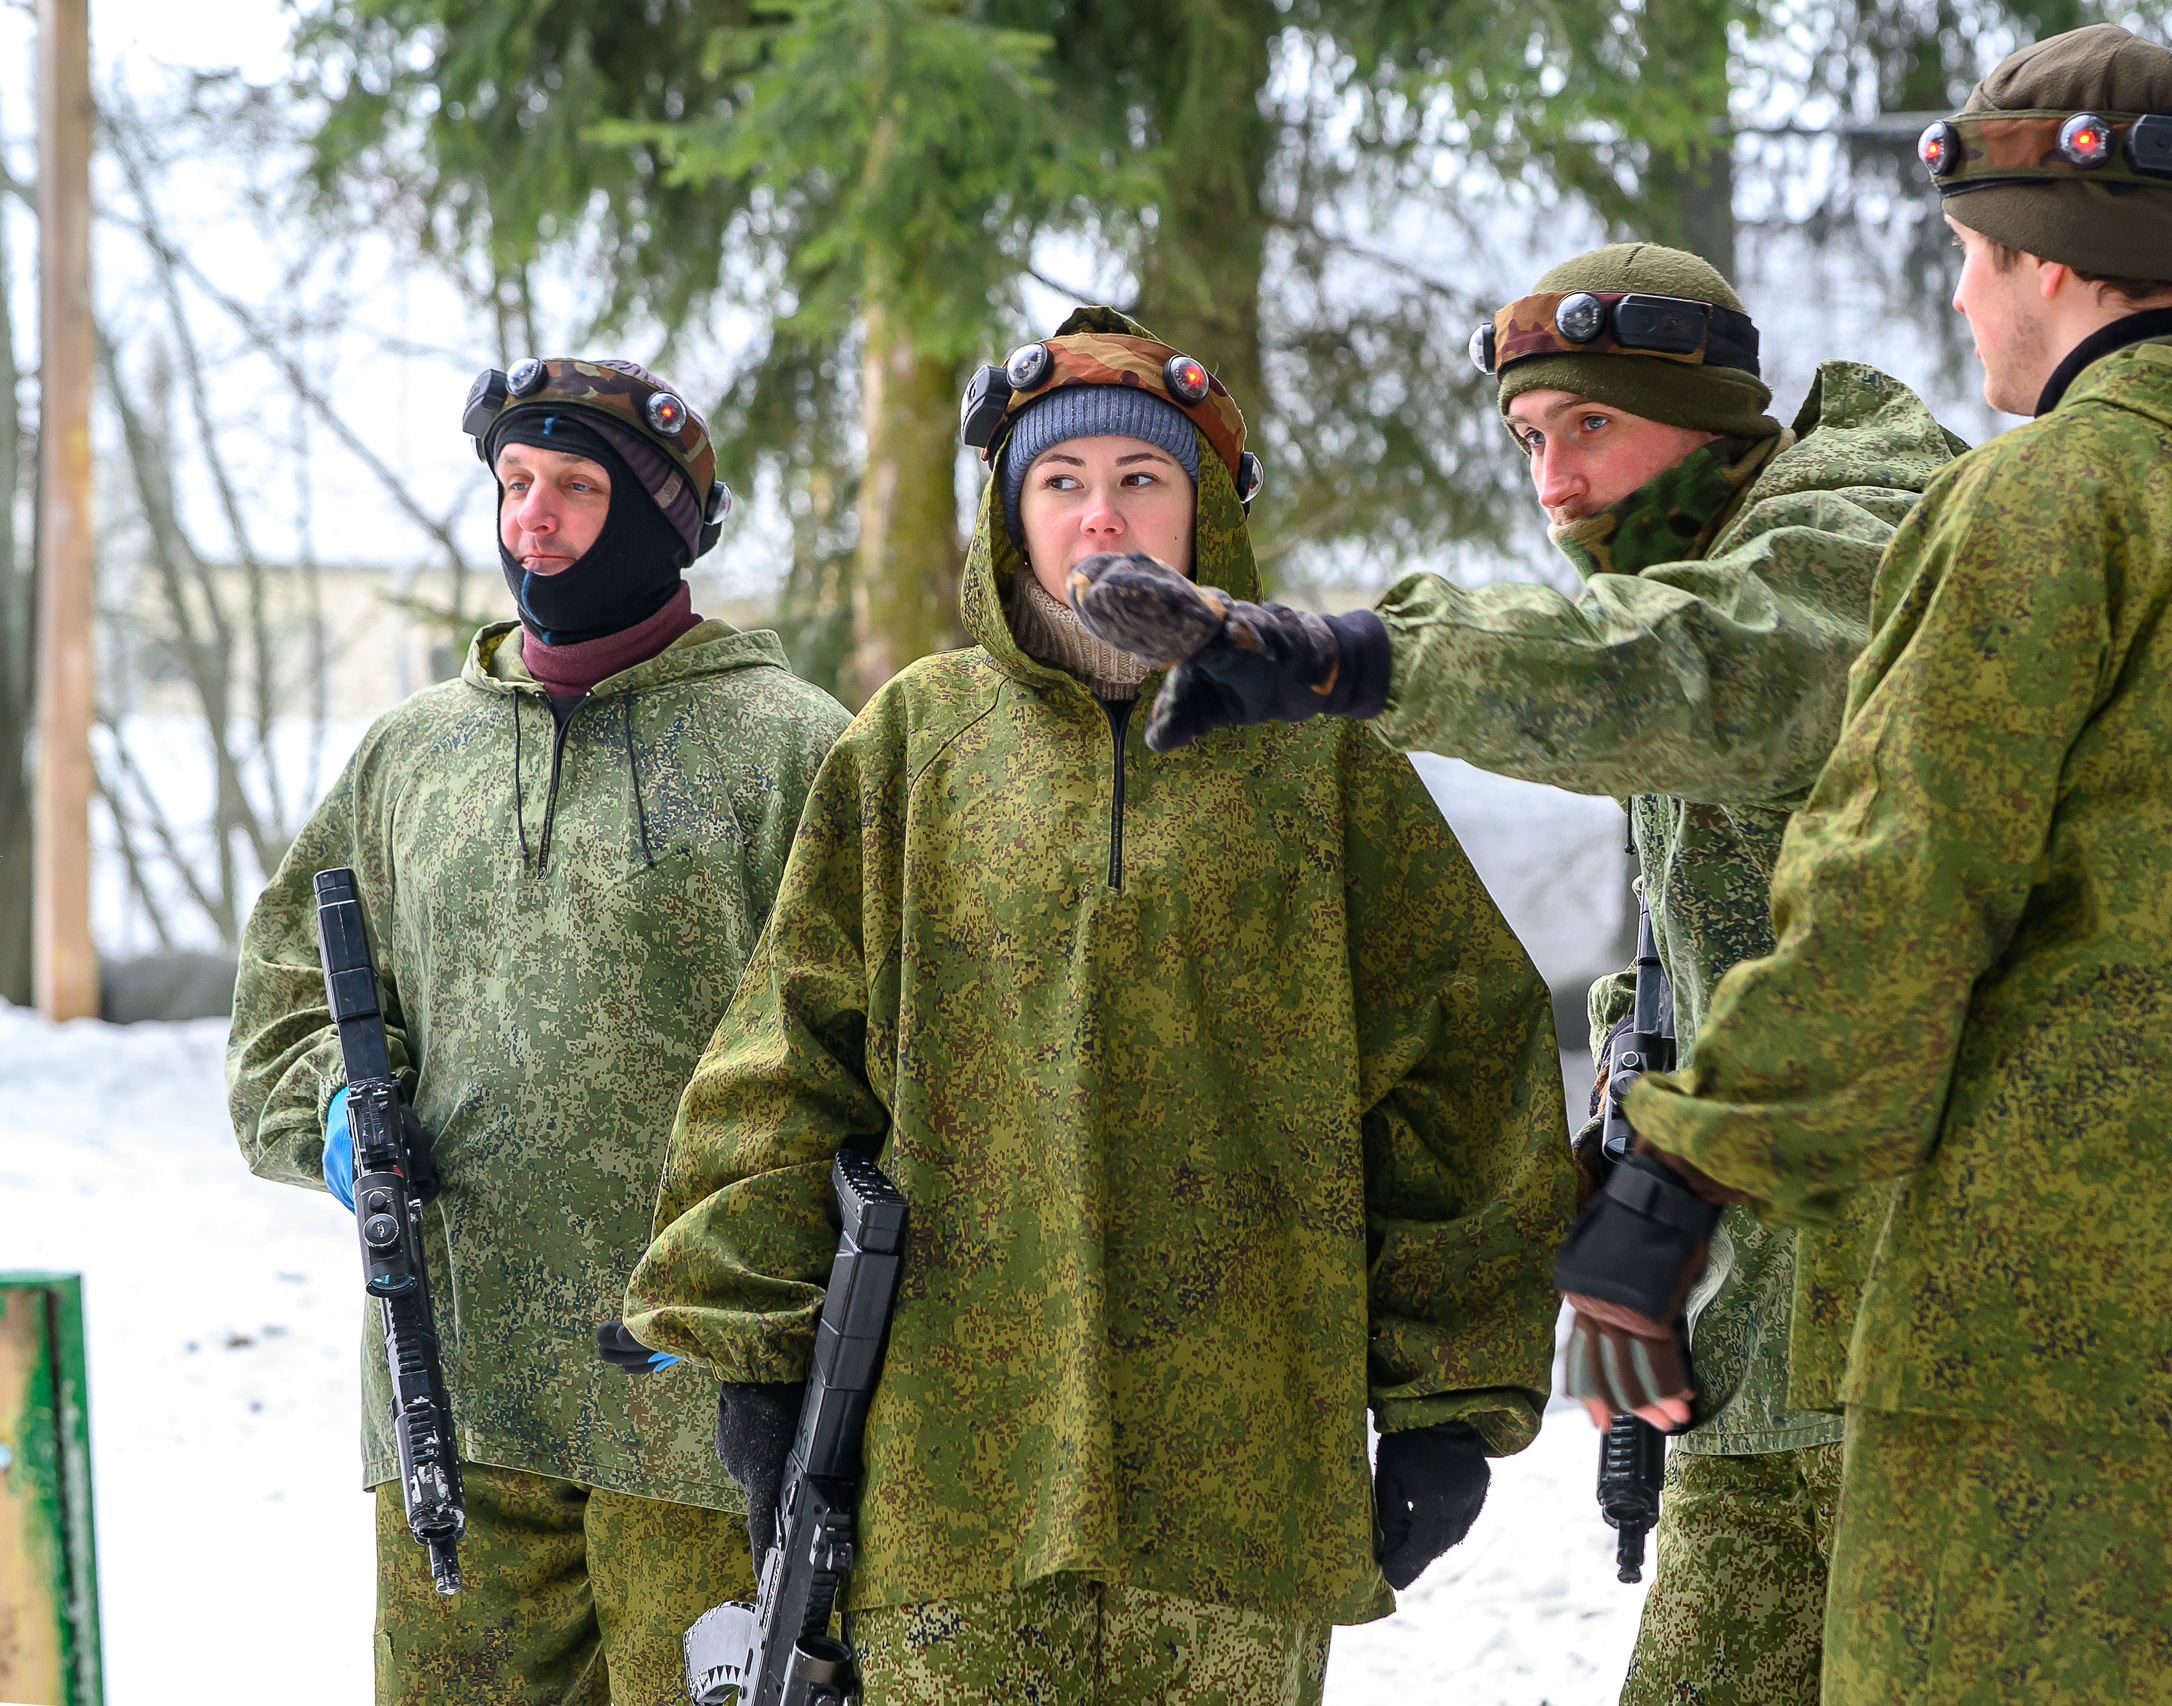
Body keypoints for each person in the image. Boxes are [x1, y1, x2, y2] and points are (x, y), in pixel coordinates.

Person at [1553, 25, 2172, 1705]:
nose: (1964, 301)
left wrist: (1668, 1185)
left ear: (2053, 263)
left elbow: (1895, 900)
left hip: (2036, 1367)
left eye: (1973, 258)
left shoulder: (2046, 504)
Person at [620, 306, 1573, 1705]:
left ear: (1207, 516)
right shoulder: (915, 751)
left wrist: (1446, 1402)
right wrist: (758, 1368)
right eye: (1060, 484)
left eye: (1143, 478)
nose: (1101, 515)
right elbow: (789, 1062)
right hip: (955, 1492)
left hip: (1243, 1493)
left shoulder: (1320, 763)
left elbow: (1471, 1074)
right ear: (1011, 519)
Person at [1070, 245, 1965, 1705]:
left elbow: (1686, 673)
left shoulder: (1853, 545)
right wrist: (1628, 1104)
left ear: (1709, 409)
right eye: (1529, 441)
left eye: (1590, 428)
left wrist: (1346, 656)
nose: (1553, 484)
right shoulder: (1699, 567)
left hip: (1934, 1368)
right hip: (1766, 1370)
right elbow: (1729, 917)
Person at [226, 358, 851, 1705]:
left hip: (706, 1433)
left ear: (669, 519)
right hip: (453, 1399)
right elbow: (283, 1006)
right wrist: (339, 1118)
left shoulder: (794, 751)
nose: (537, 521)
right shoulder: (410, 759)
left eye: (577, 487)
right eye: (516, 484)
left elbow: (875, 1059)